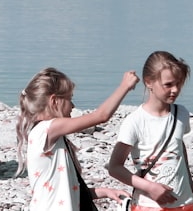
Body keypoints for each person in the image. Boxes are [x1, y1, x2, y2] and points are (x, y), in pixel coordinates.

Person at [15, 67, 139, 211]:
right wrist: (125, 86)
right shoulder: (46, 130)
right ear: (54, 101)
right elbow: (101, 116)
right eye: (69, 99)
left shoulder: (50, 136)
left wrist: (106, 192)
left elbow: (69, 193)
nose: (73, 106)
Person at [107, 51, 193, 211]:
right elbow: (114, 167)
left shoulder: (181, 113)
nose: (175, 90)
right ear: (149, 82)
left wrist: (189, 181)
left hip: (183, 203)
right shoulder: (135, 121)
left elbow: (179, 147)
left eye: (178, 84)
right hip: (148, 205)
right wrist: (150, 187)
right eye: (168, 85)